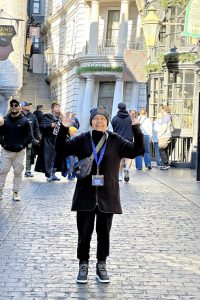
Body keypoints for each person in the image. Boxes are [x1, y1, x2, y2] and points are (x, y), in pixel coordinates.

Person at [64, 106, 144, 284]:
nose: (99, 121)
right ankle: (83, 265)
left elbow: (138, 151)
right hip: (86, 195)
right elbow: (61, 148)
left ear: (108, 122)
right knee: (84, 233)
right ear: (91, 121)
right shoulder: (83, 139)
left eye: (102, 119)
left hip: (107, 195)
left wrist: (136, 129)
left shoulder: (116, 140)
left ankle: (102, 265)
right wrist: (64, 128)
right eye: (96, 119)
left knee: (104, 233)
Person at [0, 99, 32, 201]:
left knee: (18, 173)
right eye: (12, 105)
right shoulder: (5, 120)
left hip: (19, 153)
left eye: (16, 105)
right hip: (6, 152)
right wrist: (3, 144)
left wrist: (22, 146)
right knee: (2, 172)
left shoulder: (25, 121)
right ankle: (0, 192)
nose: (13, 107)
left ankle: (16, 192)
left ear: (19, 107)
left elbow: (29, 136)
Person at [35, 101, 68, 181]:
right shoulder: (47, 116)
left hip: (58, 140)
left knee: (57, 157)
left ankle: (53, 174)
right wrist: (50, 125)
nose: (58, 108)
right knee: (49, 158)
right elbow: (42, 126)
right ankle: (48, 175)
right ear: (52, 109)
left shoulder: (60, 118)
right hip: (48, 140)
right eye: (56, 107)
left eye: (59, 107)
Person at [111, 102, 133, 182]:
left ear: (118, 108)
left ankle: (119, 175)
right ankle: (127, 169)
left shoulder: (115, 118)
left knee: (120, 158)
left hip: (119, 140)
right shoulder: (130, 118)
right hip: (129, 139)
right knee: (129, 157)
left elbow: (114, 129)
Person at [21, 101, 41, 177]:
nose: (29, 106)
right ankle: (18, 170)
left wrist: (38, 137)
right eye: (27, 105)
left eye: (29, 105)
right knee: (19, 155)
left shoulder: (33, 116)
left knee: (29, 155)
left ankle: (28, 170)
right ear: (22, 107)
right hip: (20, 140)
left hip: (30, 139)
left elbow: (36, 127)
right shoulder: (18, 115)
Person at [158, 105, 173, 170]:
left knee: (161, 148)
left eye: (161, 110)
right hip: (167, 135)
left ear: (163, 110)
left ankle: (165, 164)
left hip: (164, 135)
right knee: (164, 149)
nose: (160, 111)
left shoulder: (166, 117)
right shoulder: (168, 116)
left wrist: (159, 135)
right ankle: (165, 163)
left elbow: (164, 128)